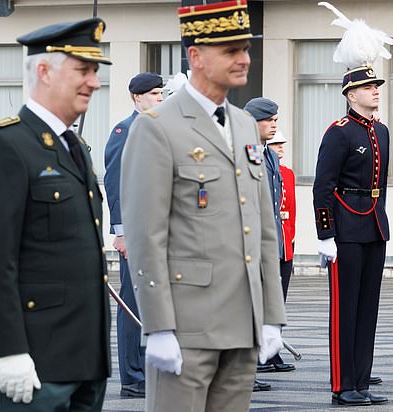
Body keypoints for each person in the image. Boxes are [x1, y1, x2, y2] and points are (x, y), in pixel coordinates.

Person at [120, 1, 287, 411]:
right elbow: (146, 233)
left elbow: (263, 225)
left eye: (245, 49)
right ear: (195, 56)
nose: (244, 59)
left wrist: (271, 314)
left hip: (243, 321)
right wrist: (157, 326)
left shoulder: (245, 124)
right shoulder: (157, 127)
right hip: (187, 327)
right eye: (230, 50)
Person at [0, 17, 112, 411]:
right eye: (83, 70)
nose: (94, 82)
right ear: (43, 71)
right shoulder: (4, 145)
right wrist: (8, 350)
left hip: (83, 359)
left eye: (95, 71)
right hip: (32, 359)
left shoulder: (74, 145)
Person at [313, 66, 389, 407]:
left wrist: (380, 221)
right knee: (345, 310)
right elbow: (323, 187)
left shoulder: (382, 131)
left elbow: (381, 185)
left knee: (367, 309)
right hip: (345, 229)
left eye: (376, 85)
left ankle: (360, 380)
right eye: (367, 86)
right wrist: (326, 234)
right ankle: (343, 386)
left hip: (373, 225)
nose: (375, 90)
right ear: (350, 94)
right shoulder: (339, 132)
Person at [104, 71, 163, 398]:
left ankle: (150, 369)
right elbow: (116, 182)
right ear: (136, 98)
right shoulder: (125, 131)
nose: (159, 98)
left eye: (161, 93)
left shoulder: (158, 128)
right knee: (134, 304)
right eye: (153, 94)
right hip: (136, 231)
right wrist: (121, 231)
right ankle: (132, 376)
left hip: (159, 232)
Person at [245, 98, 295, 375]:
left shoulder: (269, 155)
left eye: (276, 120)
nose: (274, 125)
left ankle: (259, 360)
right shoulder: (242, 150)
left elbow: (273, 205)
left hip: (270, 242)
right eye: (269, 120)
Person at [267, 131, 296, 301]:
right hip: (270, 235)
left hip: (285, 236)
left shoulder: (288, 173)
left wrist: (291, 236)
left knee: (281, 293)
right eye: (275, 144)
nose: (280, 147)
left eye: (281, 144)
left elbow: (292, 208)